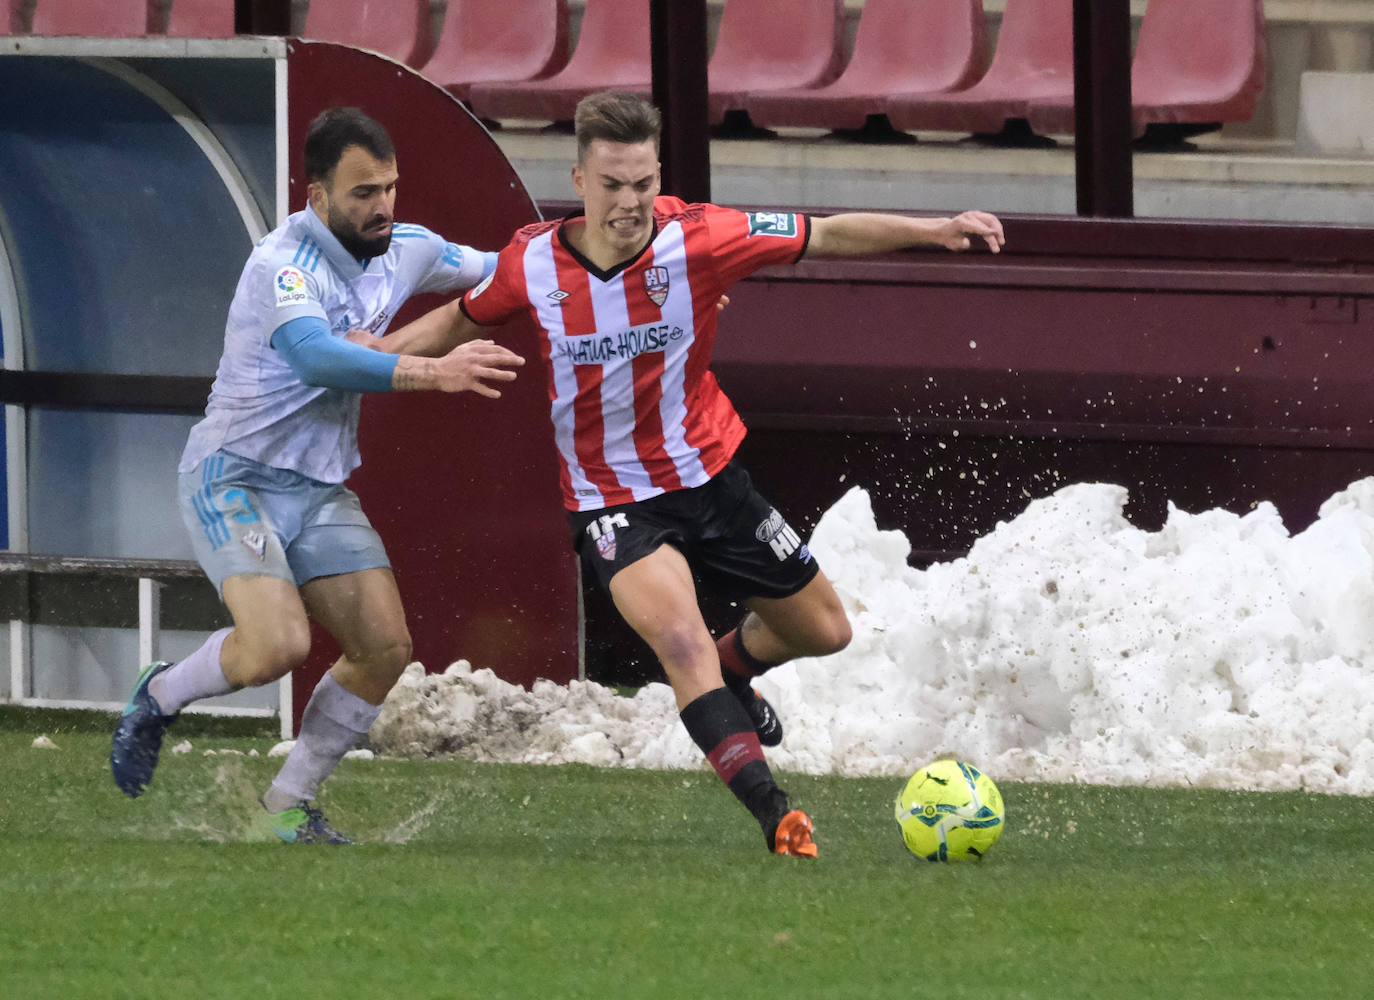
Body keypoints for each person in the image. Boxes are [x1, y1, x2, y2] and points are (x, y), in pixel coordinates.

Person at [373, 91, 1005, 857]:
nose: (630, 202)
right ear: (580, 180)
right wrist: (361, 362)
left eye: (642, 183)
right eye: (612, 184)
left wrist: (935, 230)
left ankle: (736, 673)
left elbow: (827, 232)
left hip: (711, 478)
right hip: (611, 501)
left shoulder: (699, 237)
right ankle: (776, 815)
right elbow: (454, 321)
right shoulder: (531, 263)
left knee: (826, 630)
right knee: (679, 639)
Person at [109, 107, 524, 844]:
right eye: (364, 192)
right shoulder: (282, 266)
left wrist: (632, 272)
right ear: (318, 196)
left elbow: (519, 273)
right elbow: (316, 358)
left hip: (317, 487)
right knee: (277, 648)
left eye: (391, 187)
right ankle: (161, 694)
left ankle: (286, 807)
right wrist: (432, 369)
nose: (383, 206)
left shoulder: (409, 247)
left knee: (386, 648)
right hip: (233, 477)